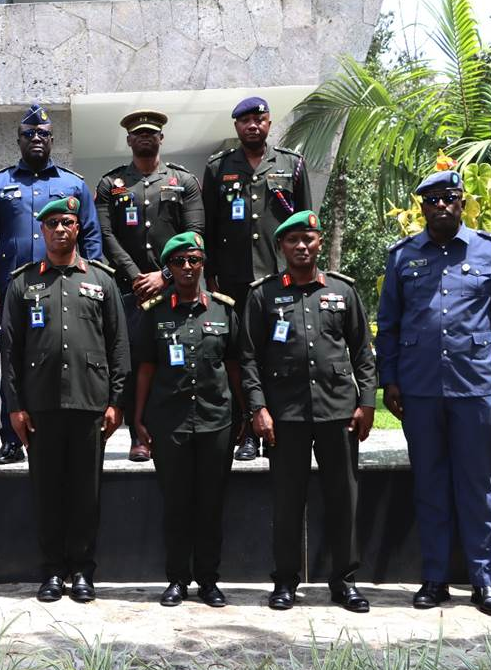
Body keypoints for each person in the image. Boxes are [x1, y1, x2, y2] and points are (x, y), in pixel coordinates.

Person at [377, 168, 491, 618]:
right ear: (422, 207)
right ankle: (435, 578)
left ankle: (484, 582)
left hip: (474, 385)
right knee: (430, 483)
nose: (441, 206)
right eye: (432, 200)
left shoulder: (490, 251)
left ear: (462, 203)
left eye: (448, 198)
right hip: (419, 387)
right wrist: (390, 379)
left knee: (476, 486)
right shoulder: (403, 256)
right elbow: (388, 324)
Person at [239, 211, 376, 614]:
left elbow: (362, 352)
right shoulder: (263, 295)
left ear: (319, 243)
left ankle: (345, 581)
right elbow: (249, 359)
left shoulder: (342, 291)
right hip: (286, 415)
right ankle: (285, 581)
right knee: (287, 500)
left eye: (308, 239)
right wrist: (258, 408)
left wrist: (367, 402)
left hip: (338, 410)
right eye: (293, 240)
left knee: (343, 498)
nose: (301, 246)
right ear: (281, 246)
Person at [1, 196, 129, 603]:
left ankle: (83, 571)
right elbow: (10, 350)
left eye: (67, 223)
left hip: (90, 402)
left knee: (86, 493)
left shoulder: (102, 280)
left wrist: (116, 401)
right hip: (41, 405)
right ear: (42, 231)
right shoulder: (23, 282)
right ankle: (53, 571)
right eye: (52, 223)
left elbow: (118, 346)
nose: (60, 229)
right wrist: (15, 406)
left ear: (78, 229)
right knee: (47, 492)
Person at [0, 103, 102, 465]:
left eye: (42, 134)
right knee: (12, 357)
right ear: (18, 140)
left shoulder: (72, 184)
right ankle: (11, 439)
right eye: (29, 134)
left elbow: (91, 235)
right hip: (13, 289)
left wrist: (92, 278)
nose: (36, 139)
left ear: (52, 140)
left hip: (64, 286)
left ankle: (60, 427)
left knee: (62, 351)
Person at [132, 232, 240, 608]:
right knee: (176, 504)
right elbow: (145, 368)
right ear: (169, 268)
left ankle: (208, 580)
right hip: (170, 422)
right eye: (179, 262)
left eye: (194, 260)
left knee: (211, 504)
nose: (188, 268)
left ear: (203, 264)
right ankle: (177, 578)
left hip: (216, 421)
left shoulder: (224, 310)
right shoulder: (155, 312)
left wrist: (244, 412)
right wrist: (138, 418)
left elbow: (235, 366)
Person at [201, 97, 311, 461]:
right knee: (238, 356)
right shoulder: (218, 168)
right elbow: (209, 229)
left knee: (279, 352)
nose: (253, 126)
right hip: (233, 281)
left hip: (280, 278)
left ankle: (283, 425)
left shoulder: (292, 164)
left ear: (269, 123)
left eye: (259, 119)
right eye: (245, 120)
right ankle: (246, 429)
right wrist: (211, 280)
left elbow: (305, 225)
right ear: (236, 126)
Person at [96, 110, 205, 462]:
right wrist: (135, 276)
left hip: (174, 288)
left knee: (172, 359)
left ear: (161, 138)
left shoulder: (183, 181)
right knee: (130, 364)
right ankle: (138, 435)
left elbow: (195, 234)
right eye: (138, 133)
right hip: (129, 290)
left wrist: (165, 275)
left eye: (151, 133)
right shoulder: (110, 184)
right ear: (129, 140)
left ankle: (172, 429)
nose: (145, 137)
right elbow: (106, 235)